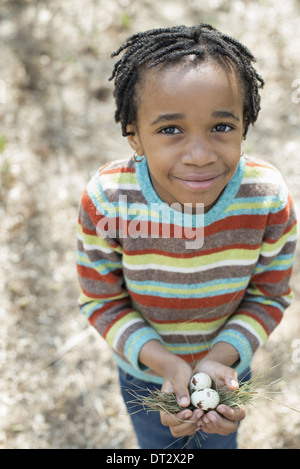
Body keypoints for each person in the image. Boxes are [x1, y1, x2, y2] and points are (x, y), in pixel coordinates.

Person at [76, 23, 297, 449]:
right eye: (170, 130)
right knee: (162, 448)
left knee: (217, 444)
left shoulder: (267, 199)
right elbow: (101, 299)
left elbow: (269, 295)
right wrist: (165, 365)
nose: (199, 154)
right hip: (144, 371)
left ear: (245, 126)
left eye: (221, 127)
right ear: (134, 136)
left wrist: (221, 359)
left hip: (228, 364)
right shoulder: (107, 201)